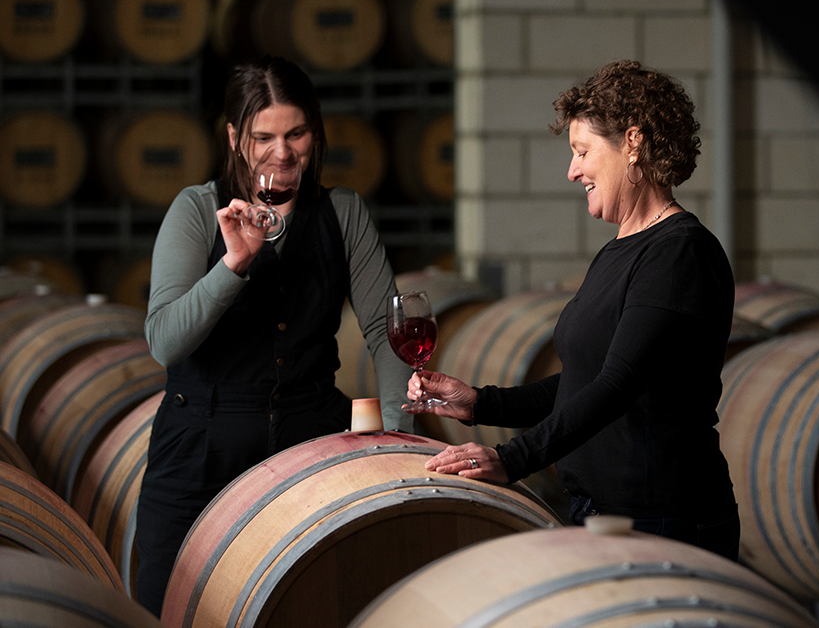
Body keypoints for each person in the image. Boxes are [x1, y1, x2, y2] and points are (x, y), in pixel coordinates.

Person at [408, 60, 739, 560]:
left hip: (665, 519)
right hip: (605, 512)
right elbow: (582, 381)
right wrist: (481, 404)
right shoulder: (620, 249)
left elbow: (617, 385)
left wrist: (509, 458)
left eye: (582, 151)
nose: (572, 170)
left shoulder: (679, 253)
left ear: (633, 143)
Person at [137, 56, 411, 616]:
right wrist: (231, 266)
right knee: (169, 610)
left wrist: (398, 440)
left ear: (316, 131)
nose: (282, 152)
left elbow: (388, 331)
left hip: (311, 443)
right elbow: (164, 341)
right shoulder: (195, 209)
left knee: (314, 607)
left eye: (296, 133)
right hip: (199, 450)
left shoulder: (344, 212)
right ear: (236, 137)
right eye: (264, 136)